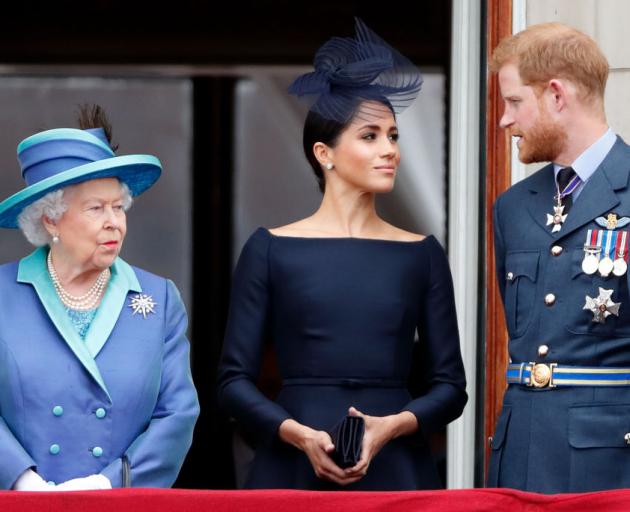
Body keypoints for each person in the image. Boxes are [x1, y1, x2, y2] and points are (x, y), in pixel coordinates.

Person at [217, 19, 467, 490]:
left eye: (393, 136)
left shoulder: (421, 254)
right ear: (324, 154)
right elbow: (233, 383)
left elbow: (451, 389)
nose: (389, 149)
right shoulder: (270, 248)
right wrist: (298, 435)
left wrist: (392, 425)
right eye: (370, 136)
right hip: (292, 468)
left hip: (395, 468)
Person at [0, 105, 199, 491]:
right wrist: (22, 481)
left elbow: (177, 413)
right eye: (96, 208)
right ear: (51, 219)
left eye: (118, 207)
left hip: (120, 501)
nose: (114, 221)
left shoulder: (159, 299)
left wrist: (108, 484)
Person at [489, 23, 630, 493]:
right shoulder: (512, 206)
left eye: (513, 102)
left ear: (555, 95)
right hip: (519, 453)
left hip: (607, 461)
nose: (504, 121)